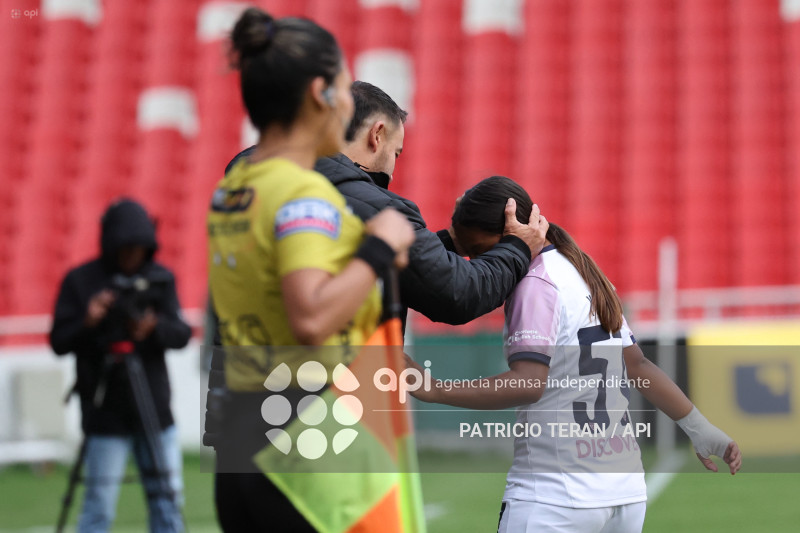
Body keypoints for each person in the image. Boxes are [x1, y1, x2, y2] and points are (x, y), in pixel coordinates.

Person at [409, 176, 742, 533]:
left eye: (476, 250)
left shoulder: (533, 284)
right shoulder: (587, 272)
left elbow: (528, 384)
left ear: (509, 231)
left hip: (556, 498)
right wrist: (700, 428)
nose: (475, 263)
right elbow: (638, 365)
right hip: (625, 494)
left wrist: (434, 389)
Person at [208, 8, 415, 532]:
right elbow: (309, 316)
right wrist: (378, 248)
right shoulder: (304, 195)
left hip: (242, 436)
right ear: (320, 93)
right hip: (306, 448)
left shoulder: (234, 188)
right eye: (346, 88)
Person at [50, 198, 190, 533]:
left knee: (167, 499)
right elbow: (59, 342)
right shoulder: (81, 281)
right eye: (125, 249)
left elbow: (181, 334)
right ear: (111, 246)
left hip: (154, 409)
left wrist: (153, 329)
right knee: (98, 504)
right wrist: (88, 321)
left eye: (139, 249)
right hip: (105, 413)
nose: (132, 257)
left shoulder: (159, 280)